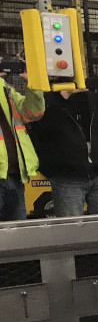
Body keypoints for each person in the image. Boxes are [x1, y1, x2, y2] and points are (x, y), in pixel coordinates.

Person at [28, 80, 98, 217]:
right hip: (66, 177)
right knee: (71, 228)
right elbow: (41, 131)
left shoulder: (93, 100)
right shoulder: (49, 101)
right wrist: (62, 97)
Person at [0, 62, 45, 221]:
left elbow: (33, 113)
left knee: (17, 236)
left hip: (14, 176)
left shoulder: (6, 90)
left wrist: (32, 83)